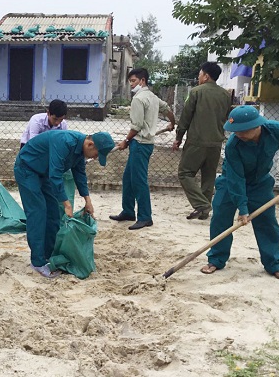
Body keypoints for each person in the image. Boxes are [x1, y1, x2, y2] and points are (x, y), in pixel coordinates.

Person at [200, 105, 279, 281]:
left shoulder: (276, 130)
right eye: (235, 131)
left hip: (260, 183)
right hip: (230, 182)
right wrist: (243, 207)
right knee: (220, 217)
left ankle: (274, 264)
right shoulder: (234, 145)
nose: (237, 134)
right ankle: (216, 259)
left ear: (256, 126)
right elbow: (236, 178)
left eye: (241, 131)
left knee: (267, 222)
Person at [14, 130, 115, 278]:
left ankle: (49, 255)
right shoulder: (64, 142)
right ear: (90, 144)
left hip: (44, 173)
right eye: (96, 154)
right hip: (27, 169)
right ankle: (37, 262)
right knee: (38, 213)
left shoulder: (80, 151)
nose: (95, 157)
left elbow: (80, 174)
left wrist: (88, 201)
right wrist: (67, 205)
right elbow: (56, 174)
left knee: (54, 213)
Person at [110, 68, 175, 230]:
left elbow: (137, 126)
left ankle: (145, 217)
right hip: (145, 144)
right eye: (130, 81)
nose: (131, 85)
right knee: (128, 178)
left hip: (140, 144)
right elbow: (167, 108)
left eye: (133, 81)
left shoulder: (138, 99)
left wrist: (126, 141)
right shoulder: (152, 97)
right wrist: (172, 123)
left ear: (143, 80)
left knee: (139, 181)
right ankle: (128, 211)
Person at [172, 62, 232, 220]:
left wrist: (178, 137)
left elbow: (186, 117)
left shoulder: (196, 92)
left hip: (197, 140)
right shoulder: (226, 95)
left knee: (185, 173)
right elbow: (226, 117)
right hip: (216, 142)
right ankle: (204, 210)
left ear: (206, 76)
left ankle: (202, 205)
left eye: (199, 74)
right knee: (209, 176)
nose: (198, 77)